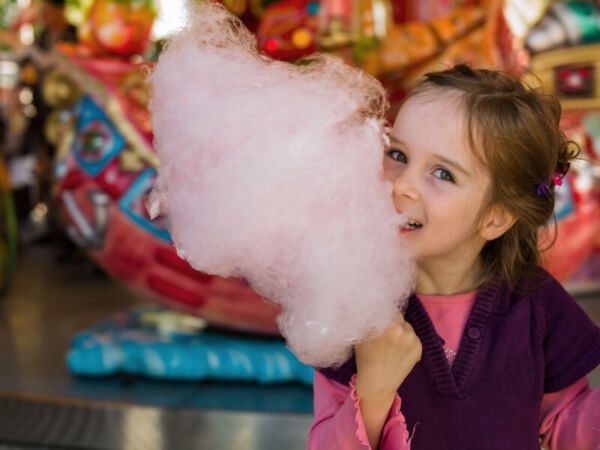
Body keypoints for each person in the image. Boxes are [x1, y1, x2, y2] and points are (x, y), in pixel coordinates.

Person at [306, 64, 600, 450]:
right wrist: (374, 387)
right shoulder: (355, 308)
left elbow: (570, 426)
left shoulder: (537, 306)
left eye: (442, 174)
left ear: (495, 218)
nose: (403, 184)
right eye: (398, 153)